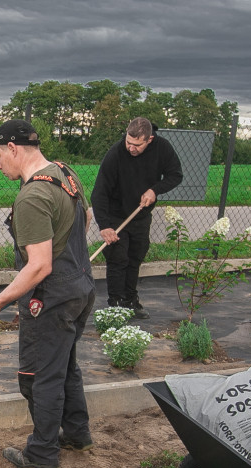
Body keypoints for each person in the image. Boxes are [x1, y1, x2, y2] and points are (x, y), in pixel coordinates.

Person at [0, 120, 95, 468]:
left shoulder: (33, 197)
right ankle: (76, 433)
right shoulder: (65, 174)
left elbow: (39, 266)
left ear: (13, 148)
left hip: (51, 297)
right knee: (65, 366)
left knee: (39, 376)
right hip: (81, 287)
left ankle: (42, 453)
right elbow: (84, 221)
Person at [91, 117, 183, 319]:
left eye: (137, 145)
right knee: (118, 259)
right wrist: (105, 226)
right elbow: (99, 193)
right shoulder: (115, 154)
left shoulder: (162, 148)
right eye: (128, 142)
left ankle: (130, 301)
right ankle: (115, 305)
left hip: (140, 215)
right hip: (116, 215)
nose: (131, 148)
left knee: (135, 258)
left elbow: (176, 175)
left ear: (149, 139)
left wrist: (155, 190)